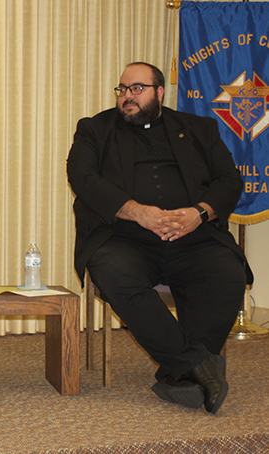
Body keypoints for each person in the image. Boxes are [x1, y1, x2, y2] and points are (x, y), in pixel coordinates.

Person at [67, 62, 252, 415]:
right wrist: (139, 212)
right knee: (116, 275)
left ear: (160, 92)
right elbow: (84, 178)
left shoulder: (200, 128)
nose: (127, 97)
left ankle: (178, 374)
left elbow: (229, 180)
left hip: (192, 236)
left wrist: (199, 213)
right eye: (122, 90)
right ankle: (199, 365)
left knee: (228, 272)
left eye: (137, 89)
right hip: (126, 237)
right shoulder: (95, 129)